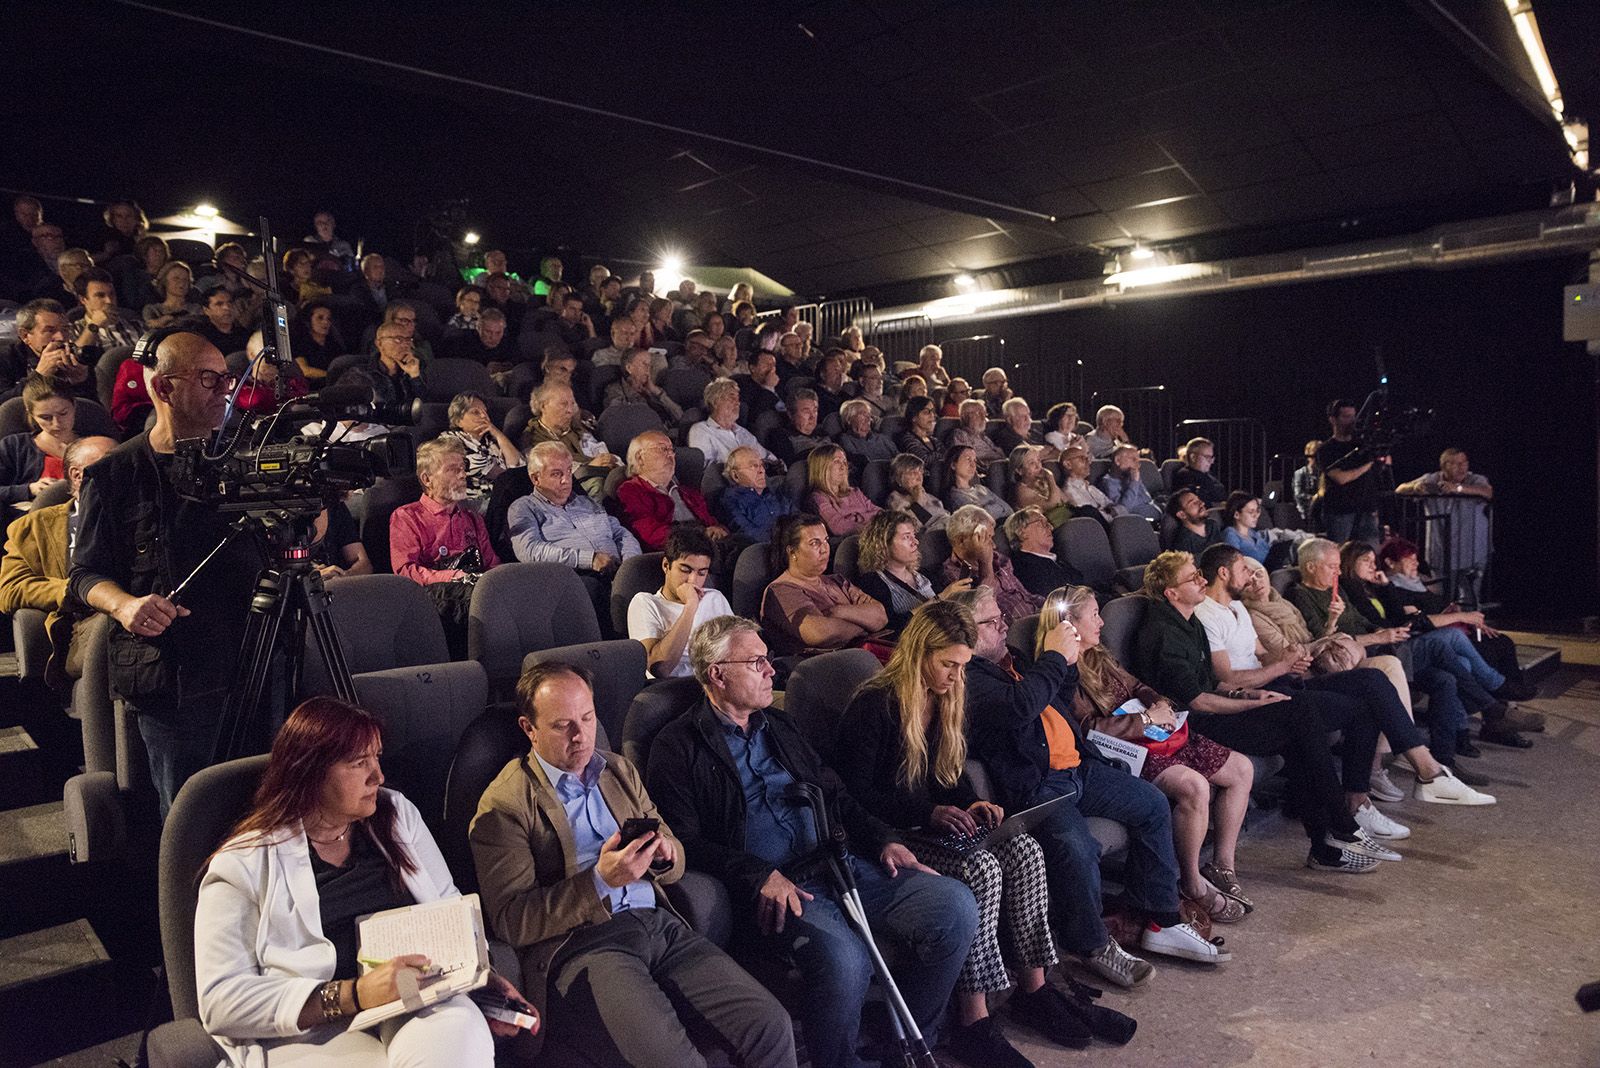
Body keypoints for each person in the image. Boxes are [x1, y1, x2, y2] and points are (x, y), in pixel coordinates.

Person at [645, 615, 978, 1068]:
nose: (771, 671)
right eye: (757, 662)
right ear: (717, 674)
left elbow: (837, 794)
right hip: (778, 889)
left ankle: (907, 1043)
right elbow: (684, 842)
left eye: (768, 661)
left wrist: (882, 840)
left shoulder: (780, 727)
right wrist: (760, 874)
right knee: (846, 959)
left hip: (839, 863)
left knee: (954, 905)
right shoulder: (678, 746)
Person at [469, 662, 795, 1066]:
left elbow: (672, 850)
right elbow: (512, 921)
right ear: (529, 729)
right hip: (585, 946)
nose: (581, 735)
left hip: (659, 924)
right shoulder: (504, 807)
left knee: (771, 1025)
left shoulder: (618, 770)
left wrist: (665, 855)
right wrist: (600, 881)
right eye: (562, 725)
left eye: (588, 718)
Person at [196, 697, 520, 1068]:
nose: (377, 776)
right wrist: (354, 995)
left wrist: (482, 981)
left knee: (459, 1040)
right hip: (313, 1030)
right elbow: (221, 1000)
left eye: (377, 758)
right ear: (310, 772)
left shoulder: (396, 814)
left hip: (416, 999)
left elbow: (450, 909)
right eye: (359, 763)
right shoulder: (242, 863)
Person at [838, 601, 1092, 1064]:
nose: (957, 676)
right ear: (919, 654)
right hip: (890, 833)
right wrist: (931, 811)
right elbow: (855, 797)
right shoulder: (875, 705)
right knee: (981, 871)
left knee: (1024, 851)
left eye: (962, 665)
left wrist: (965, 801)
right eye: (948, 664)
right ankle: (973, 1019)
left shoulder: (945, 698)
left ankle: (1035, 986)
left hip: (930, 821)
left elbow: (946, 774)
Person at [958, 584, 1220, 989]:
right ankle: (1094, 946)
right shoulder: (969, 678)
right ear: (965, 633)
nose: (1004, 623)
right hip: (1041, 786)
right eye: (992, 621)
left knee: (1151, 803)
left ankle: (1160, 917)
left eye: (1000, 616)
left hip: (1079, 767)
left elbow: (1055, 701)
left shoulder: (1015, 659)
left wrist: (1066, 665)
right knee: (1076, 847)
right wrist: (1053, 658)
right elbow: (1020, 707)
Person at [70, 331, 262, 816]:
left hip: (259, 661)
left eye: (225, 378)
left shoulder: (245, 461)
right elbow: (85, 574)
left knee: (269, 809)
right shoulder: (114, 474)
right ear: (164, 388)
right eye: (207, 379)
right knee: (196, 818)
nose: (224, 389)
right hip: (175, 676)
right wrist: (125, 604)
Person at [1133, 551, 1400, 873]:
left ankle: (1326, 847)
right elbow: (1198, 701)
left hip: (1215, 710)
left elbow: (1215, 683)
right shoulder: (1164, 632)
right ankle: (1342, 827)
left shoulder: (1187, 621)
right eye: (1193, 578)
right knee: (1298, 712)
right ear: (1171, 593)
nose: (1203, 579)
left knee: (1299, 723)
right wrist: (1253, 703)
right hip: (1193, 728)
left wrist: (1250, 693)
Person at [1198, 543, 1491, 834]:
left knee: (1373, 681)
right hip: (1253, 699)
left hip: (1283, 679)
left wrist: (1292, 655)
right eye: (1244, 569)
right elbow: (1227, 678)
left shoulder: (1236, 607)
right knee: (1361, 705)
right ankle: (1364, 803)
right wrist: (1282, 665)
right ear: (1224, 573)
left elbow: (1261, 653)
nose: (1251, 575)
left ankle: (1420, 773)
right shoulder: (1207, 614)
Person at [1049, 586, 1255, 922]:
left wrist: (1156, 701)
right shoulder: (1066, 668)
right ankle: (1191, 881)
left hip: (1157, 736)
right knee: (1194, 787)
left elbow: (1136, 686)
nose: (1101, 622)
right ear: (1068, 623)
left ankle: (1222, 866)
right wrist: (1144, 720)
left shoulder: (1100, 654)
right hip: (1127, 750)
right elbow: (1088, 728)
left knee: (1242, 770)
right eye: (1094, 616)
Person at [1336, 540, 1536, 750]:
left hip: (1400, 643)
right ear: (1350, 562)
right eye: (1365, 560)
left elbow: (1396, 615)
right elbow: (1380, 622)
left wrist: (1385, 587)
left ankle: (1453, 746)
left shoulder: (1373, 587)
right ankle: (1497, 691)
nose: (1372, 565)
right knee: (1452, 638)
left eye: (1373, 560)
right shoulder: (1350, 587)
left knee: (1456, 669)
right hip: (1388, 648)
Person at [0, 435, 116, 689]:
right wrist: (78, 589)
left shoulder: (146, 515)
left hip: (142, 612)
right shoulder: (32, 527)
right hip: (82, 624)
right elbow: (10, 590)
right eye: (111, 463)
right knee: (119, 626)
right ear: (77, 475)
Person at [1377, 535, 1541, 712]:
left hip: (1451, 632)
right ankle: (1497, 705)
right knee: (1481, 653)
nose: (1415, 563)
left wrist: (1471, 621)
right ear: (1390, 563)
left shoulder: (1417, 584)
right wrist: (1462, 617)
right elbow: (1418, 621)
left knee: (1502, 642)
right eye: (1409, 559)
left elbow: (1434, 612)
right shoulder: (1393, 589)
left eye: (1416, 558)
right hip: (1434, 639)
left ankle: (1508, 709)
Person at [508, 442, 639, 624]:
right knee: (594, 591)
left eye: (569, 471)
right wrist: (589, 559)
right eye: (556, 474)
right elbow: (529, 551)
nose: (566, 480)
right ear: (535, 478)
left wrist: (630, 564)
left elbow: (620, 533)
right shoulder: (524, 507)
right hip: (571, 579)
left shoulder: (586, 502)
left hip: (616, 570)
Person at [760, 514, 887, 657]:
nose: (825, 549)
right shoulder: (781, 590)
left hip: (861, 656)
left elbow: (881, 616)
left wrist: (838, 612)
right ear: (792, 552)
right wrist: (865, 626)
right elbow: (820, 633)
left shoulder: (837, 580)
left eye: (826, 540)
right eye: (815, 543)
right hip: (823, 668)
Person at [390, 438, 501, 587]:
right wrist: (454, 577)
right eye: (453, 469)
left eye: (463, 468)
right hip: (432, 601)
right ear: (427, 479)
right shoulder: (407, 517)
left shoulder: (472, 518)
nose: (463, 475)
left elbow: (492, 566)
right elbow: (406, 571)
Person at [628, 528, 734, 678]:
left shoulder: (715, 598)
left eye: (702, 573)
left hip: (722, 684)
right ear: (666, 565)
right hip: (677, 690)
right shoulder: (646, 603)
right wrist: (690, 606)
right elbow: (660, 668)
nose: (693, 580)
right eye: (685, 570)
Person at [1396, 447, 1494, 598]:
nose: (1461, 467)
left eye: (1464, 463)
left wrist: (1458, 489)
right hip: (1440, 551)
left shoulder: (1475, 480)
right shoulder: (1433, 479)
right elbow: (1400, 489)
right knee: (1440, 597)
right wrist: (1415, 487)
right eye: (1455, 464)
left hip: (1472, 552)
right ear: (1444, 466)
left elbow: (1487, 492)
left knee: (1470, 598)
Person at [853, 510, 970, 636]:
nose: (916, 542)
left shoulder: (924, 574)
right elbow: (890, 629)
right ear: (883, 545)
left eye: (914, 535)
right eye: (907, 537)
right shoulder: (872, 582)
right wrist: (941, 598)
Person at [616, 430, 729, 551]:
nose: (671, 454)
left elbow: (711, 521)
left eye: (671, 449)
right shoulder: (631, 491)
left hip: (709, 545)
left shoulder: (688, 492)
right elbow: (649, 534)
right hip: (678, 551)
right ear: (640, 458)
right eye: (663, 449)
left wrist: (719, 530)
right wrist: (700, 534)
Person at [942, 504, 1044, 625]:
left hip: (1038, 616)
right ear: (961, 540)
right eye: (986, 538)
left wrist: (1051, 604)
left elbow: (1026, 595)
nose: (994, 545)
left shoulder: (998, 558)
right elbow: (984, 612)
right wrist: (985, 562)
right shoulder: (955, 576)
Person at [522, 380, 618, 501]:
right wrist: (591, 466)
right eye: (563, 404)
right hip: (561, 488)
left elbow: (597, 449)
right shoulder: (533, 437)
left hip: (595, 474)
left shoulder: (576, 428)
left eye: (572, 404)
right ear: (543, 406)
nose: (570, 411)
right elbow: (546, 472)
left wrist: (607, 460)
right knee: (598, 484)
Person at [1, 375, 78, 511]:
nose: (56, 423)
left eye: (63, 413)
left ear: (74, 406)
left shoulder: (96, 446)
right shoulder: (14, 446)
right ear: (31, 414)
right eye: (45, 417)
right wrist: (29, 489)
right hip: (29, 521)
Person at [1315, 399, 1386, 544]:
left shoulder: (1363, 444)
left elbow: (1378, 471)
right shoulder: (1326, 449)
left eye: (1353, 416)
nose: (1352, 421)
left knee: (1370, 553)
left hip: (1366, 508)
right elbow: (1341, 478)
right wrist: (1368, 464)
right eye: (1346, 417)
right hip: (1340, 510)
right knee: (1341, 553)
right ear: (1333, 420)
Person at [439, 391, 524, 506]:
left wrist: (498, 435)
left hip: (502, 499)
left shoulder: (492, 441)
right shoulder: (449, 439)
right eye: (476, 412)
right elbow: (488, 470)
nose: (484, 416)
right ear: (458, 421)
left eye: (485, 411)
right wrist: (514, 477)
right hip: (473, 502)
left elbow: (519, 465)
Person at [2, 299, 95, 402]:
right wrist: (39, 375)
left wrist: (81, 384)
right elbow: (4, 406)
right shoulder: (5, 358)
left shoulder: (76, 359)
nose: (60, 337)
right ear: (25, 336)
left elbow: (95, 412)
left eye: (64, 329)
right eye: (50, 330)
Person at [718, 444, 794, 543]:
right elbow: (746, 532)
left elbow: (798, 517)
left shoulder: (776, 492)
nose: (762, 471)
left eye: (762, 465)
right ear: (735, 475)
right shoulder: (730, 499)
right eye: (753, 466)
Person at [687, 377, 769, 465]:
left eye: (738, 398)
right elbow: (707, 468)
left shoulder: (743, 432)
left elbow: (767, 456)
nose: (738, 403)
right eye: (732, 397)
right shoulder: (700, 430)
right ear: (715, 402)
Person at [1002, 507, 1083, 596]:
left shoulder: (1057, 559)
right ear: (1022, 531)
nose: (1051, 528)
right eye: (1042, 523)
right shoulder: (1026, 569)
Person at [1220, 491, 1306, 570]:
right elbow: (1233, 564)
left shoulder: (1253, 533)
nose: (1256, 516)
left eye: (1257, 511)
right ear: (1237, 514)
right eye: (1251, 512)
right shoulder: (1231, 534)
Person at [807, 444, 879, 537]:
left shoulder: (854, 491)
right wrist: (870, 521)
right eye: (837, 461)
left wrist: (856, 518)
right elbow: (839, 527)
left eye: (844, 462)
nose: (843, 467)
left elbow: (879, 512)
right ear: (822, 467)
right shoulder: (818, 498)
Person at [70, 266, 142, 352]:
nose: (109, 301)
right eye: (100, 296)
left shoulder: (136, 326)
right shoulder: (74, 330)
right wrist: (94, 325)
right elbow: (76, 358)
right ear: (83, 299)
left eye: (112, 294)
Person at [604, 346, 684, 424]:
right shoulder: (614, 390)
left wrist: (657, 393)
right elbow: (618, 420)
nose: (648, 368)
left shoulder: (654, 390)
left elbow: (680, 416)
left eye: (649, 364)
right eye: (644, 364)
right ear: (629, 368)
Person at [304, 496, 373, 583]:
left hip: (337, 587)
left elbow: (365, 565)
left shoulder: (335, 505)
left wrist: (343, 576)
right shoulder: (284, 512)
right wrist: (314, 578)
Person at [943, 444, 1012, 521]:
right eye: (968, 459)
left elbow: (1008, 509)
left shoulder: (981, 488)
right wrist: (996, 507)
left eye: (974, 460)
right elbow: (981, 519)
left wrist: (986, 508)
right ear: (953, 465)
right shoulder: (956, 496)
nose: (973, 465)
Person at [1008, 444, 1069, 526]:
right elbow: (1053, 504)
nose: (1038, 466)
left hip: (1065, 517)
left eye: (1039, 460)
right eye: (1032, 463)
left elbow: (1065, 500)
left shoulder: (1041, 480)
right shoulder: (1022, 490)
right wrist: (1050, 478)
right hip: (1051, 526)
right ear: (1019, 470)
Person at [1099, 443, 1163, 520]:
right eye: (1133, 459)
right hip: (1141, 521)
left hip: (1157, 512)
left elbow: (1146, 499)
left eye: (1138, 461)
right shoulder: (1108, 482)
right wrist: (1134, 482)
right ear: (1117, 460)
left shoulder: (1129, 476)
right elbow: (1123, 509)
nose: (1138, 464)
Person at [885, 452, 948, 528]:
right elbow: (911, 526)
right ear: (898, 479)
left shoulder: (924, 493)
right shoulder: (896, 498)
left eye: (921, 472)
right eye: (913, 473)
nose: (919, 477)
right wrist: (918, 501)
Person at [768, 388, 829, 465]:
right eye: (806, 411)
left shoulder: (822, 432)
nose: (812, 417)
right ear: (790, 414)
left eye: (815, 410)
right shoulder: (781, 436)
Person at [1059, 444, 1118, 522]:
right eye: (1082, 459)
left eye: (1088, 459)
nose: (1088, 462)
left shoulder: (1091, 488)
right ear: (1068, 464)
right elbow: (1088, 516)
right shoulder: (1069, 491)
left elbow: (1112, 505)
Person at [837, 398, 896, 475]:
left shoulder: (882, 438)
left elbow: (899, 457)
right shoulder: (845, 439)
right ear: (848, 419)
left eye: (869, 415)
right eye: (862, 414)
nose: (869, 418)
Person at [142, 260, 199, 329]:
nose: (181, 283)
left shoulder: (196, 309)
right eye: (176, 278)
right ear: (165, 281)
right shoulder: (152, 310)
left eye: (185, 279)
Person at [949, 399, 1005, 467]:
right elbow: (967, 458)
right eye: (978, 413)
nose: (983, 417)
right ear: (965, 417)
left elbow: (1000, 454)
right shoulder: (960, 435)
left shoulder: (983, 436)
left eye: (984, 413)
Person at [1171, 437, 1226, 505]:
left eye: (1211, 458)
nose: (1211, 462)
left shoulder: (1208, 475)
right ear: (1193, 457)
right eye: (1207, 457)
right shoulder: (1184, 477)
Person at [1166, 488, 1222, 554]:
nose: (1202, 503)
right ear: (1182, 514)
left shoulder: (1212, 525)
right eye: (1194, 503)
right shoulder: (1182, 543)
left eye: (1199, 500)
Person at [895, 395, 943, 472]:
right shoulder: (907, 439)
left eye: (933, 411)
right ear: (914, 417)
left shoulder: (934, 440)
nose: (932, 416)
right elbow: (923, 461)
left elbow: (947, 457)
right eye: (926, 412)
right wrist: (939, 456)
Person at [1292, 439, 1321, 525]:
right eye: (1314, 455)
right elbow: (1298, 494)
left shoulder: (1323, 473)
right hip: (1305, 509)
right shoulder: (1300, 473)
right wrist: (1314, 497)